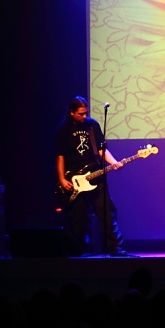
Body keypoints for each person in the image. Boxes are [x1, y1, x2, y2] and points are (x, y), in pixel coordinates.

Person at [55, 96, 129, 257]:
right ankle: (77, 250)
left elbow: (102, 150)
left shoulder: (92, 125)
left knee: (106, 211)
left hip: (95, 175)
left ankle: (115, 247)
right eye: (80, 114)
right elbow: (60, 157)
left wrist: (114, 162)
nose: (84, 116)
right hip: (74, 178)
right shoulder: (63, 130)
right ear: (71, 113)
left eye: (85, 113)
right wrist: (62, 179)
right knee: (78, 218)